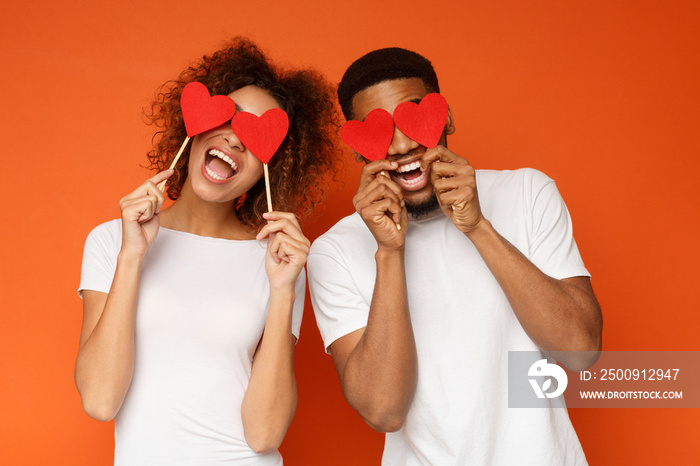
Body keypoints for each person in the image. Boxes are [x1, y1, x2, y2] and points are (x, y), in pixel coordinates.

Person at [307, 47, 603, 465]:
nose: (403, 144)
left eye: (413, 119)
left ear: (446, 118)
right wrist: (390, 252)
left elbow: (580, 351)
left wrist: (477, 227)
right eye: (380, 132)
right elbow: (383, 410)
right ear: (360, 151)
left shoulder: (527, 193)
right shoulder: (335, 251)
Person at [75, 38, 338, 465]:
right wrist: (132, 257)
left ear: (269, 167)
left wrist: (284, 291)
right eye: (228, 118)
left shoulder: (277, 262)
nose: (235, 140)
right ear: (193, 127)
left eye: (256, 135)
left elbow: (265, 434)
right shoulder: (111, 242)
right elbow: (100, 400)